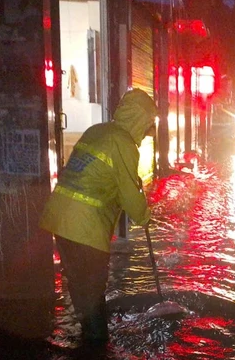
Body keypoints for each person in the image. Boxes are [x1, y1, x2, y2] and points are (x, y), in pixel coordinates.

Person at [40, 88, 157, 344]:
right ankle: (97, 357)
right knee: (92, 291)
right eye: (148, 125)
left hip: (60, 221)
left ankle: (84, 341)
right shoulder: (124, 143)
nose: (148, 133)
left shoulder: (98, 130)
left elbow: (95, 175)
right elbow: (129, 196)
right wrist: (145, 216)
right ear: (139, 120)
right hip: (85, 229)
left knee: (79, 286)